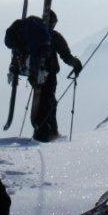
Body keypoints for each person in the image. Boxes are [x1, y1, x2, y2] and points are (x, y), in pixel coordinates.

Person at [5, 9, 81, 142]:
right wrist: (76, 63)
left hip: (34, 74)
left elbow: (17, 52)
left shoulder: (31, 34)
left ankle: (45, 132)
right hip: (49, 74)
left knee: (42, 101)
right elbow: (65, 55)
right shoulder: (52, 36)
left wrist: (15, 68)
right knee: (48, 102)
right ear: (52, 22)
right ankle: (46, 134)